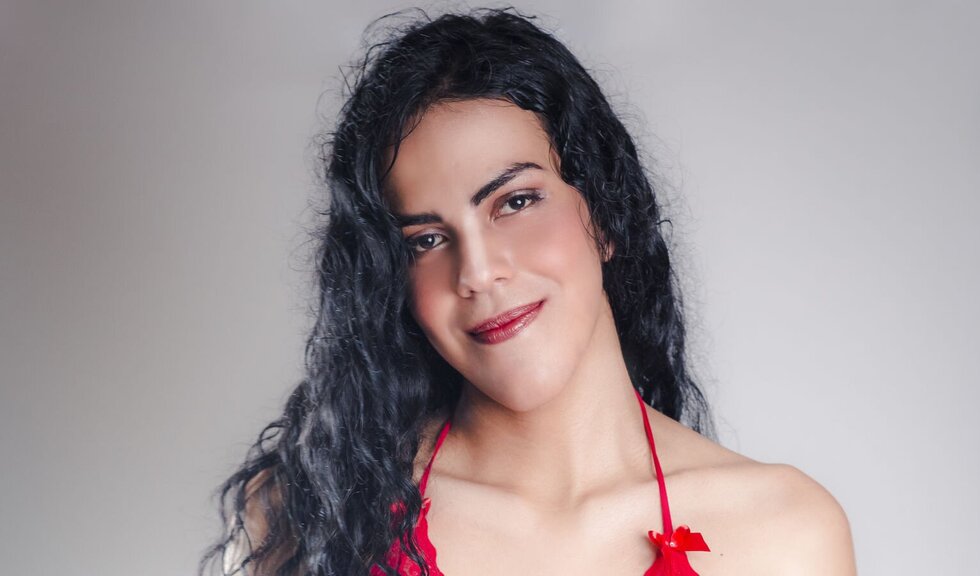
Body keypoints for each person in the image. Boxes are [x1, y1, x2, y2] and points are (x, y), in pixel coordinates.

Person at [200, 8, 856, 576]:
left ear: (605, 214)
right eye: (426, 240)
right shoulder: (308, 512)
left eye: (514, 202)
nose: (478, 271)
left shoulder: (783, 533)